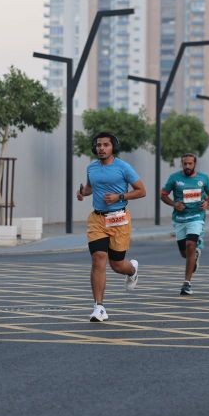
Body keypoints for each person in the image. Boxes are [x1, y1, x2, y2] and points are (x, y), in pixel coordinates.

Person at [77, 132, 145, 321]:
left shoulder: (124, 167)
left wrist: (120, 197)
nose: (101, 148)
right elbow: (91, 188)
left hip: (119, 219)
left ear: (112, 147)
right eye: (98, 145)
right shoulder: (91, 167)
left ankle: (132, 269)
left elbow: (141, 191)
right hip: (97, 219)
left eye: (105, 145)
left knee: (117, 265)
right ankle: (99, 307)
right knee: (98, 258)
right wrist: (83, 192)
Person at [161, 154, 209, 296]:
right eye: (185, 164)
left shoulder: (203, 178)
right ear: (182, 164)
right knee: (184, 253)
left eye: (190, 164)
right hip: (180, 219)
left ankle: (186, 283)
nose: (187, 166)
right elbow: (163, 194)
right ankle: (195, 256)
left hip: (197, 217)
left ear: (195, 164)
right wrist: (174, 204)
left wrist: (208, 202)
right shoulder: (174, 178)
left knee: (190, 244)